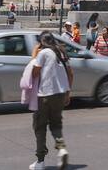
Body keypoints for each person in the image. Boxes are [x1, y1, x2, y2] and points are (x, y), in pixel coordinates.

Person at [29, 31, 73, 170]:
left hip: (45, 95)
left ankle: (40, 162)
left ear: (42, 42)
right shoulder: (62, 52)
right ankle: (62, 149)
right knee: (56, 126)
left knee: (40, 127)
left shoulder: (43, 53)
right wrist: (67, 93)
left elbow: (34, 73)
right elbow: (70, 74)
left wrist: (34, 54)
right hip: (60, 94)